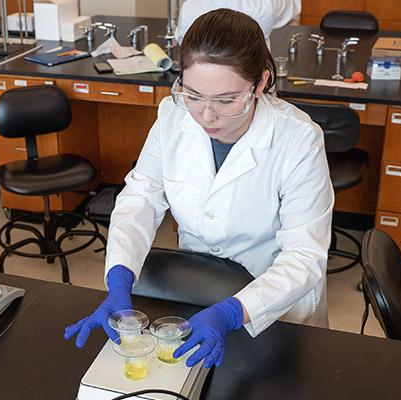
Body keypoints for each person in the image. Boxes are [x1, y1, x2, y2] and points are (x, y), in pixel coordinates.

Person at [65, 8, 333, 369]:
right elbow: (141, 197)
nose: (206, 116)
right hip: (195, 293)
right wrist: (118, 278)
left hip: (272, 306)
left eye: (225, 101)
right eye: (192, 95)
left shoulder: (299, 140)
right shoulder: (172, 117)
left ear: (260, 82)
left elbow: (304, 256)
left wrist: (232, 312)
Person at [175, 0, 301, 47]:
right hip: (254, 88)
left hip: (202, 90)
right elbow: (294, 7)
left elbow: (184, 42)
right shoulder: (267, 4)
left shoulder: (190, 6)